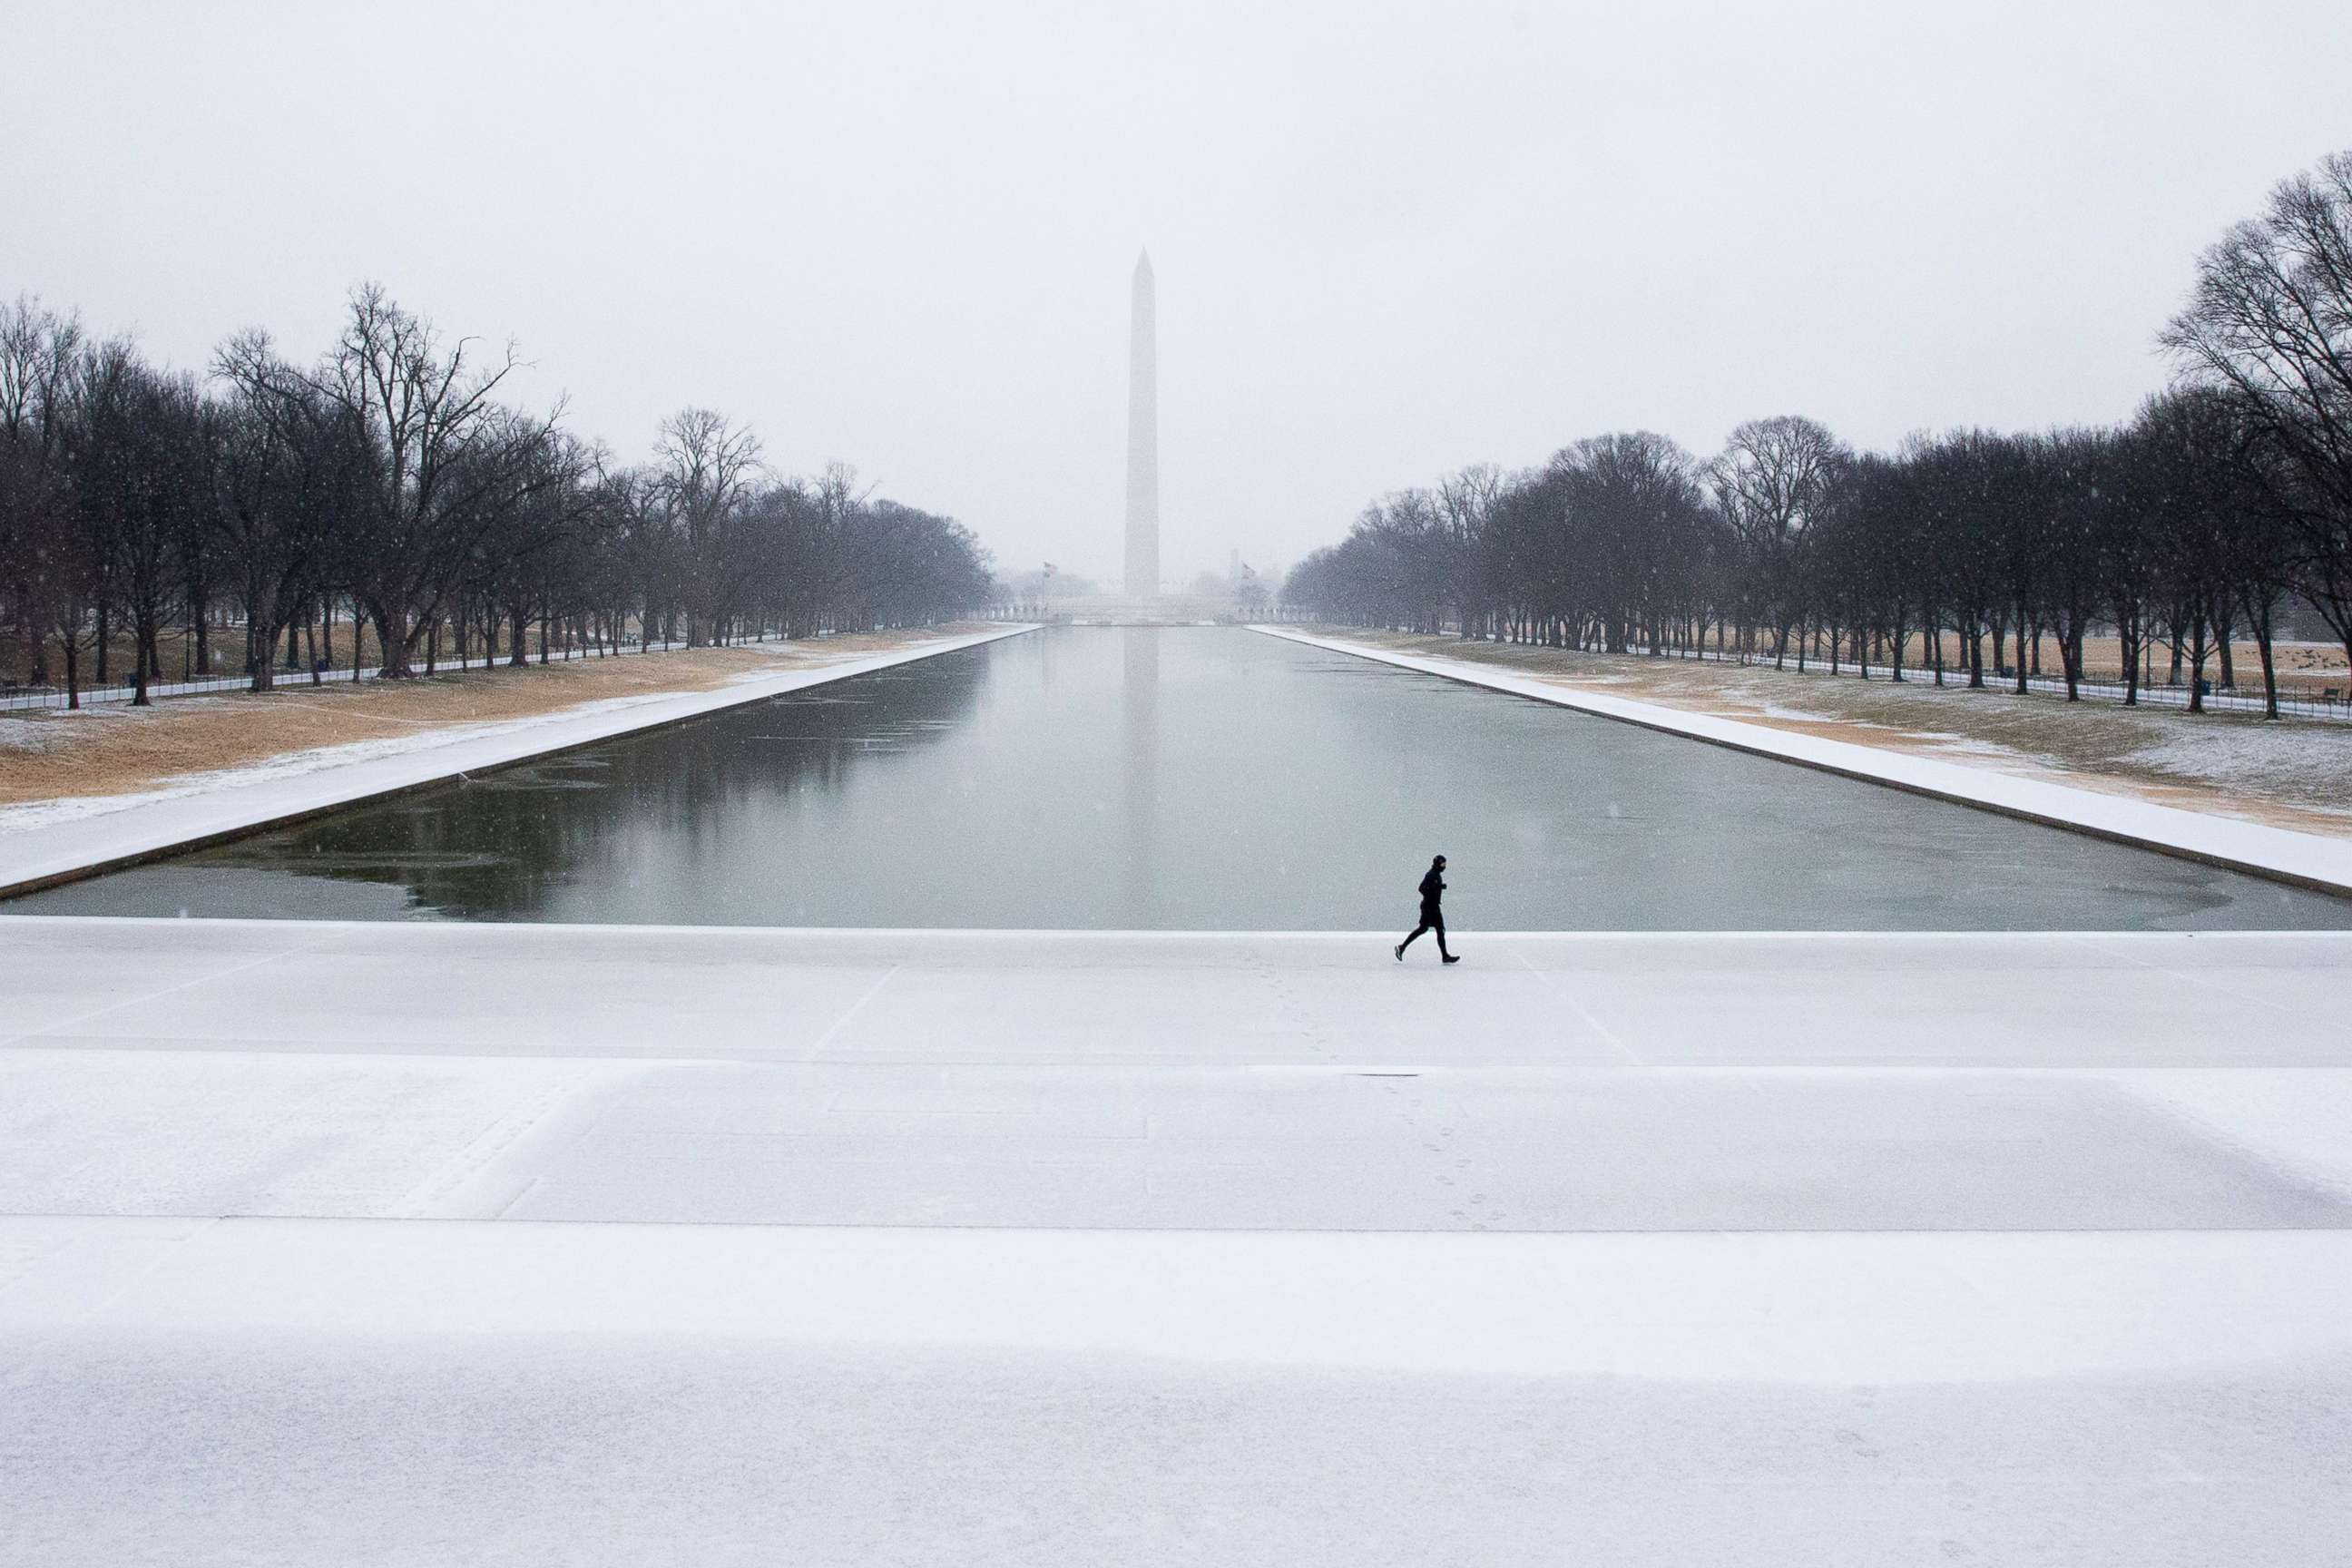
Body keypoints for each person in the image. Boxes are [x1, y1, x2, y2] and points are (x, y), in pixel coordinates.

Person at [1395, 854, 1460, 964]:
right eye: (1442, 864)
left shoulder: (1436, 874)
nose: (1444, 866)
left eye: (1445, 864)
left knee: (1424, 929)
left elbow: (1430, 888)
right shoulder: (1431, 875)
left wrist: (1438, 887)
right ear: (1437, 864)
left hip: (1431, 906)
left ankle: (1402, 948)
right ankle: (1445, 956)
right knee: (1439, 930)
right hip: (1430, 907)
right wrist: (1436, 888)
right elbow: (1421, 888)